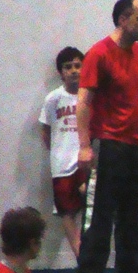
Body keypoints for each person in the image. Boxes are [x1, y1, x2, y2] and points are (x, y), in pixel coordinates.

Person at [74, 0, 138, 273]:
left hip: (135, 146)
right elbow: (84, 102)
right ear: (123, 20)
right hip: (107, 145)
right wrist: (84, 146)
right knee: (99, 218)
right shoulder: (98, 54)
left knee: (133, 219)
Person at [39, 47, 88, 258]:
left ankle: (92, 251)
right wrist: (57, 151)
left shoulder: (90, 96)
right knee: (66, 211)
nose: (74, 71)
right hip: (61, 164)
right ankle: (80, 255)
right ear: (61, 72)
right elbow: (45, 129)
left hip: (85, 161)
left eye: (78, 66)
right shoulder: (54, 98)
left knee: (91, 203)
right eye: (68, 67)